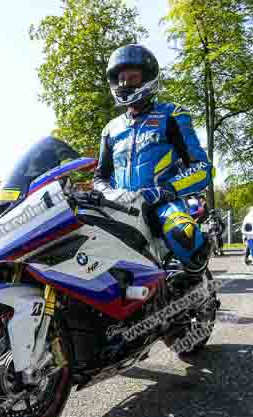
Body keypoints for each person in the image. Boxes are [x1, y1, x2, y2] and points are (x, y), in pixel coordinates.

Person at [94, 44, 213, 274]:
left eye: (133, 77)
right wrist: (106, 194)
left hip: (163, 204)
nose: (125, 83)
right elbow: (100, 176)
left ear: (148, 78)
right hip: (120, 206)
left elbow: (202, 169)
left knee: (183, 233)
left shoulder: (172, 115)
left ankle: (196, 285)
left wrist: (165, 191)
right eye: (121, 78)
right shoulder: (110, 129)